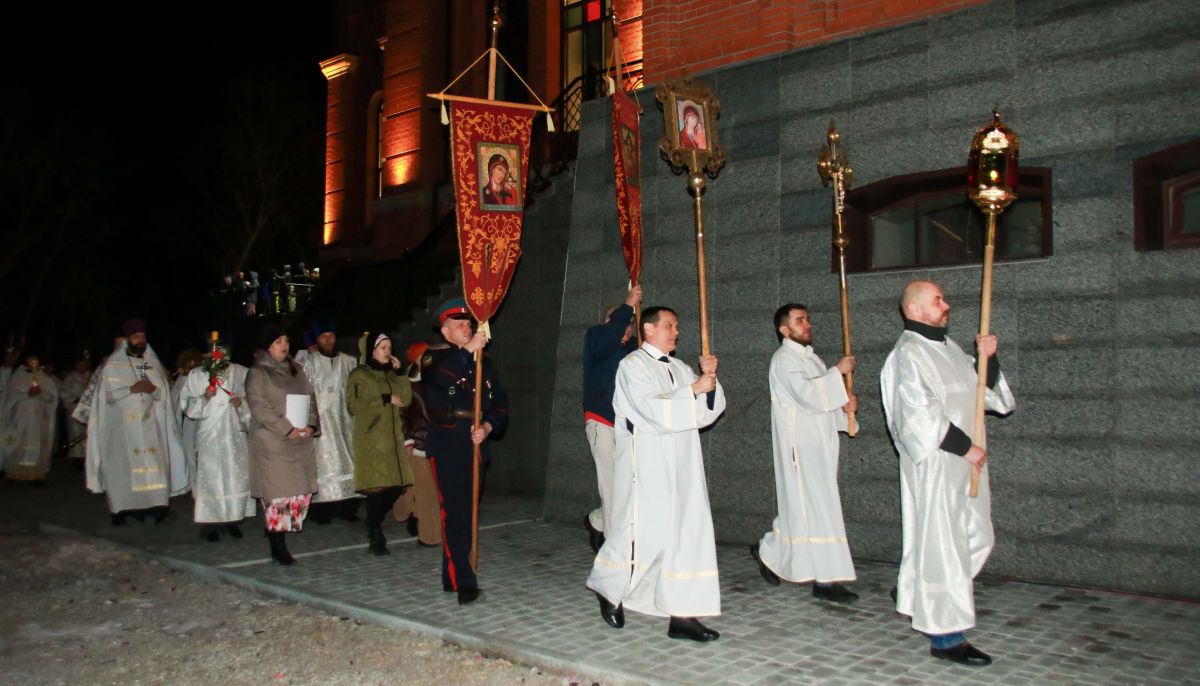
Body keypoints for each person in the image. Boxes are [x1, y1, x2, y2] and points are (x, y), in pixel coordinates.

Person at [879, 280, 1015, 667]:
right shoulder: (907, 354)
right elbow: (917, 414)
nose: (946, 304)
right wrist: (964, 447)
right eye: (937, 300)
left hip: (967, 463)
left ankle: (917, 591)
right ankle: (946, 635)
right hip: (938, 464)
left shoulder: (949, 349)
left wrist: (989, 360)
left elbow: (983, 396)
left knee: (977, 537)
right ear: (915, 310)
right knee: (944, 547)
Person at [586, 306, 727, 642]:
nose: (675, 332)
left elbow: (705, 414)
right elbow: (648, 408)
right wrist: (693, 389)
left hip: (683, 462)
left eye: (677, 326)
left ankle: (682, 614)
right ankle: (609, 587)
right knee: (640, 531)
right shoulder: (631, 366)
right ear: (648, 330)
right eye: (669, 326)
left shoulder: (680, 367)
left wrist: (709, 382)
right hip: (647, 462)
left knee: (686, 534)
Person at [750, 304, 860, 603]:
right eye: (799, 321)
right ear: (784, 330)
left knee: (809, 509)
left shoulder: (812, 359)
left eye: (808, 319)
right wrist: (838, 373)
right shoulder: (784, 360)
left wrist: (845, 407)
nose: (807, 324)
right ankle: (826, 580)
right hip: (801, 446)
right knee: (815, 508)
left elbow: (823, 399)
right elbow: (807, 395)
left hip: (821, 444)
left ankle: (769, 548)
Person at [423, 298, 509, 605]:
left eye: (468, 323)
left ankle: (452, 575)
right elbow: (441, 376)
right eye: (459, 324)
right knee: (454, 512)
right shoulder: (433, 358)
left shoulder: (484, 361)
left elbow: (500, 403)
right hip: (447, 443)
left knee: (469, 511)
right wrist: (469, 349)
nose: (467, 327)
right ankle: (464, 579)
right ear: (444, 331)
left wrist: (487, 427)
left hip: (475, 441)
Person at [85, 320, 189, 525]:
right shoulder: (114, 365)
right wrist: (131, 389)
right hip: (122, 428)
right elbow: (106, 395)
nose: (140, 341)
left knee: (155, 464)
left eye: (143, 337)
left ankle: (157, 505)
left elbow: (163, 393)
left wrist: (154, 390)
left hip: (151, 426)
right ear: (127, 340)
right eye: (136, 337)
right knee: (122, 465)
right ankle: (120, 509)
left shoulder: (151, 362)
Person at [246, 323, 320, 565]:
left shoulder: (297, 370)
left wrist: (310, 425)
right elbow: (259, 407)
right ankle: (278, 546)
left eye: (286, 340)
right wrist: (286, 429)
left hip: (299, 441)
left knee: (297, 496)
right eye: (278, 341)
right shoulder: (258, 373)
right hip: (273, 443)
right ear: (268, 346)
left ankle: (275, 528)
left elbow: (310, 400)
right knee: (278, 496)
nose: (284, 346)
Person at [580, 285, 642, 553]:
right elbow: (607, 341)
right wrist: (628, 303)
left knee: (629, 484)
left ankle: (597, 520)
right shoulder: (596, 337)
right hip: (601, 420)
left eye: (630, 325)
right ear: (608, 322)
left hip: (627, 427)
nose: (626, 329)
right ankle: (615, 548)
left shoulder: (633, 353)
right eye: (621, 323)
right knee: (611, 483)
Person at [179, 343, 255, 542]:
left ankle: (232, 518)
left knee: (233, 477)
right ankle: (210, 523)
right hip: (210, 435)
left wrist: (242, 404)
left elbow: (254, 399)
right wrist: (204, 397)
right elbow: (186, 403)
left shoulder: (241, 372)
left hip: (233, 434)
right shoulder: (197, 374)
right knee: (211, 478)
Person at [346, 331, 413, 555]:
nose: (387, 351)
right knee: (377, 488)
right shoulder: (360, 374)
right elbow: (353, 405)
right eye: (383, 347)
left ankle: (373, 521)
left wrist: (401, 373)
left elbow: (407, 399)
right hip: (372, 440)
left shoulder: (392, 375)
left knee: (396, 486)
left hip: (392, 441)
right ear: (371, 350)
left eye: (389, 346)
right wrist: (382, 400)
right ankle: (375, 532)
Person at [296, 317, 360, 524]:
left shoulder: (350, 361)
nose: (328, 340)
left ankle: (348, 507)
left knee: (347, 461)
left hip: (345, 421)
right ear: (317, 339)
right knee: (323, 464)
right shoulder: (308, 364)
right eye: (323, 337)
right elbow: (301, 394)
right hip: (320, 422)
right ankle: (321, 509)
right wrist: (300, 423)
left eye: (331, 336)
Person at [392, 341, 443, 547]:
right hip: (419, 442)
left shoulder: (439, 380)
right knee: (427, 491)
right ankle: (430, 536)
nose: (429, 360)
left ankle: (407, 509)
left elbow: (449, 401)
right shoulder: (409, 383)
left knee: (419, 488)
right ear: (416, 360)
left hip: (439, 440)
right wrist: (408, 439)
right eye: (424, 356)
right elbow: (403, 413)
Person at [1, 351, 59, 483]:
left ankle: (36, 474)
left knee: (36, 444)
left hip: (38, 420)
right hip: (19, 418)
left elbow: (52, 397)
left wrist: (41, 393)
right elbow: (9, 398)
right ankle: (13, 472)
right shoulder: (16, 379)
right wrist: (27, 394)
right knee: (17, 444)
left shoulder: (45, 379)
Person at [172, 348, 204, 486]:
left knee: (194, 453)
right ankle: (190, 481)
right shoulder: (181, 379)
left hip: (194, 422)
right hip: (183, 421)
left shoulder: (198, 378)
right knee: (187, 453)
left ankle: (197, 483)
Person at [59, 353, 92, 469]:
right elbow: (64, 392)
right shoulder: (70, 377)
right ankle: (78, 458)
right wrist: (75, 398)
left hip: (90, 408)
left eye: (83, 365)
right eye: (79, 365)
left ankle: (89, 458)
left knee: (89, 432)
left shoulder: (93, 376)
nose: (81, 367)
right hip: (75, 407)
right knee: (76, 432)